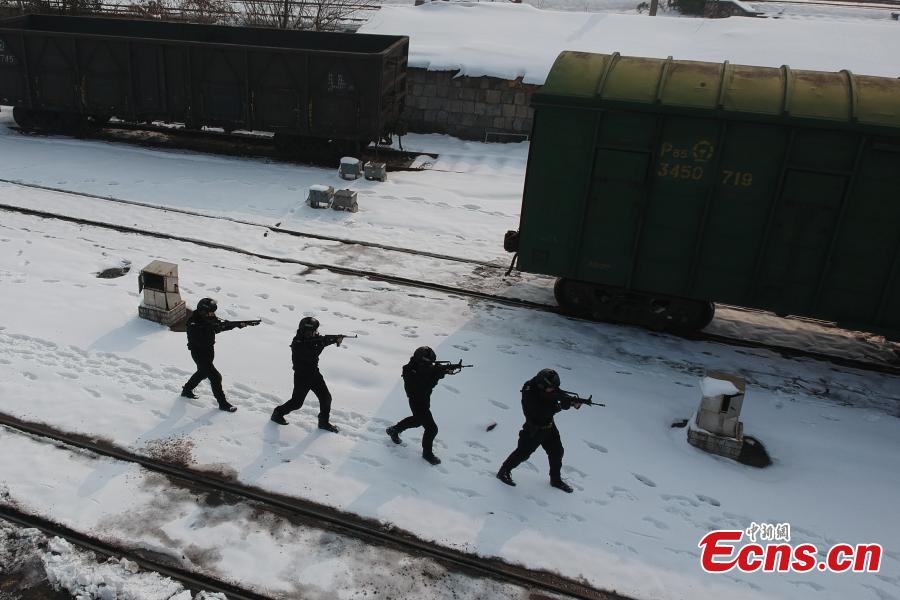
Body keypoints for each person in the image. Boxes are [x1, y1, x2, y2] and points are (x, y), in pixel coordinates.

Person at [496, 368, 580, 493]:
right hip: (534, 428)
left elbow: (556, 392)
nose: (553, 389)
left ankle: (555, 479)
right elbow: (541, 412)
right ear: (542, 385)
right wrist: (560, 406)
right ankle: (504, 472)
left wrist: (570, 400)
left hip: (549, 426)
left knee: (557, 451)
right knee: (523, 453)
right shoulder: (529, 392)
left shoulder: (546, 387)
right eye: (551, 387)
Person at [385, 346, 461, 466]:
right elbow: (423, 387)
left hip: (423, 400)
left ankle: (394, 430)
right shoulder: (409, 371)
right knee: (432, 428)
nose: (431, 365)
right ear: (421, 360)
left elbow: (429, 374)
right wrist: (438, 375)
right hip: (417, 401)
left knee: (417, 421)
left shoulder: (422, 368)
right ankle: (427, 454)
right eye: (428, 363)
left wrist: (443, 371)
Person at [181, 297, 256, 412]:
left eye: (213, 312)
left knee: (202, 373)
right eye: (211, 312)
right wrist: (212, 326)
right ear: (203, 311)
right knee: (215, 377)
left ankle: (186, 390)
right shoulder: (193, 323)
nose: (213, 314)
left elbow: (218, 327)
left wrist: (236, 325)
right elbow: (199, 341)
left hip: (209, 351)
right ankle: (223, 403)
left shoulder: (208, 318)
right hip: (199, 354)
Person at [270, 317, 342, 432]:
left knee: (326, 398)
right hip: (302, 377)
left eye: (314, 331)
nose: (314, 333)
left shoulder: (314, 340)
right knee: (297, 403)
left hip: (314, 374)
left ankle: (323, 422)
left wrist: (334, 339)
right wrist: (324, 343)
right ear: (304, 331)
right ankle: (278, 413)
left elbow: (320, 342)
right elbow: (312, 354)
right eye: (311, 332)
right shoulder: (297, 343)